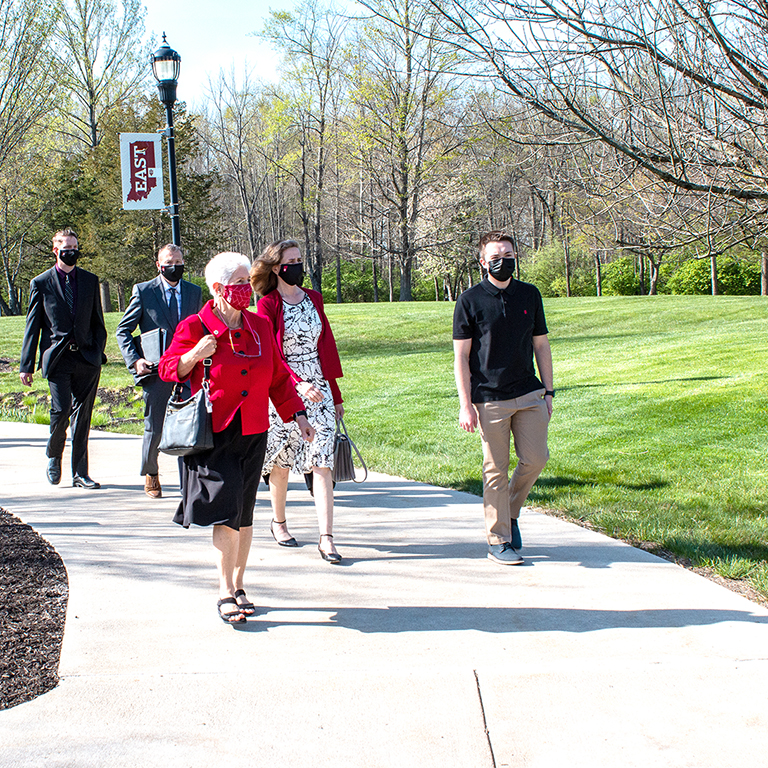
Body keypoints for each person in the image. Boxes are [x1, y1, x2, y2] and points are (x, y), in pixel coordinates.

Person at [159, 251, 313, 624]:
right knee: (227, 511)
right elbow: (167, 369)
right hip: (216, 432)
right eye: (240, 283)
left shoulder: (259, 325)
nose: (247, 288)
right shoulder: (195, 325)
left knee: (244, 512)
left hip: (254, 429)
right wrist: (195, 354)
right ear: (218, 288)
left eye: (247, 282)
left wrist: (298, 414)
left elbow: (277, 375)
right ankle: (224, 590)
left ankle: (240, 584)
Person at [453, 232, 554, 566]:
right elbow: (461, 358)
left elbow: (541, 344)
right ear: (483, 262)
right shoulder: (469, 301)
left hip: (528, 392)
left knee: (536, 459)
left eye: (508, 254)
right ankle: (498, 539)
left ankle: (509, 511)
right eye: (495, 256)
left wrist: (549, 390)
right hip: (489, 398)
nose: (503, 261)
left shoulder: (529, 294)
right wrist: (465, 404)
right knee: (495, 469)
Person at [251, 239, 345, 564]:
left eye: (300, 259)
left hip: (319, 389)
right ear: (277, 268)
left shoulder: (314, 299)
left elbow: (326, 348)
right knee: (282, 461)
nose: (298, 265)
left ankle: (327, 537)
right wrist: (298, 384)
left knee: (322, 461)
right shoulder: (267, 305)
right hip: (284, 390)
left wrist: (335, 394)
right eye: (291, 260)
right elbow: (273, 354)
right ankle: (279, 522)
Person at [19, 228, 107, 489]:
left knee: (83, 416)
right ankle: (54, 454)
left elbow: (98, 322)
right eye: (66, 248)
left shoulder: (90, 280)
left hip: (86, 357)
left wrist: (97, 349)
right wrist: (26, 365)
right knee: (61, 412)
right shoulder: (41, 283)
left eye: (75, 247)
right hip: (57, 358)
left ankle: (80, 472)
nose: (72, 252)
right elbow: (32, 326)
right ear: (55, 250)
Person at [116, 244, 203, 498]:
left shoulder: (194, 292)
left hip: (188, 368)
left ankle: (189, 479)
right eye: (169, 262)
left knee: (191, 424)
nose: (174, 267)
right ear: (158, 265)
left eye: (179, 261)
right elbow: (123, 330)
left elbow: (200, 324)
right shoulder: (144, 291)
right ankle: (151, 473)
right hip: (156, 369)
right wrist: (136, 360)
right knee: (155, 426)